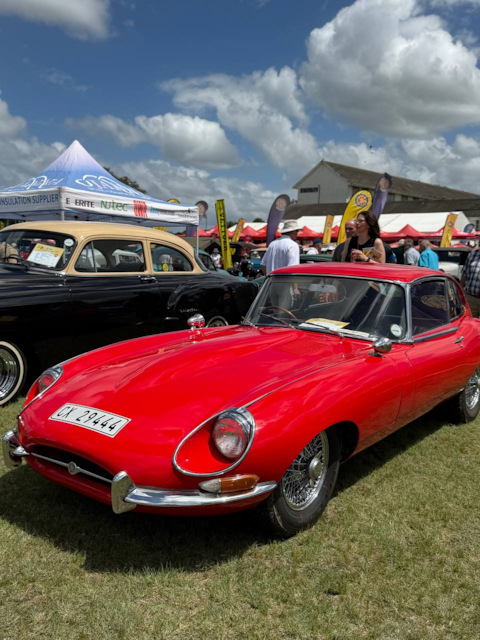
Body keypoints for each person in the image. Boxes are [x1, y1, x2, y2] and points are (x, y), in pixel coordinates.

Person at [461, 247, 480, 318]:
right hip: (470, 299)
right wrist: (461, 294)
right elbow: (464, 275)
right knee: (469, 322)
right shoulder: (472, 254)